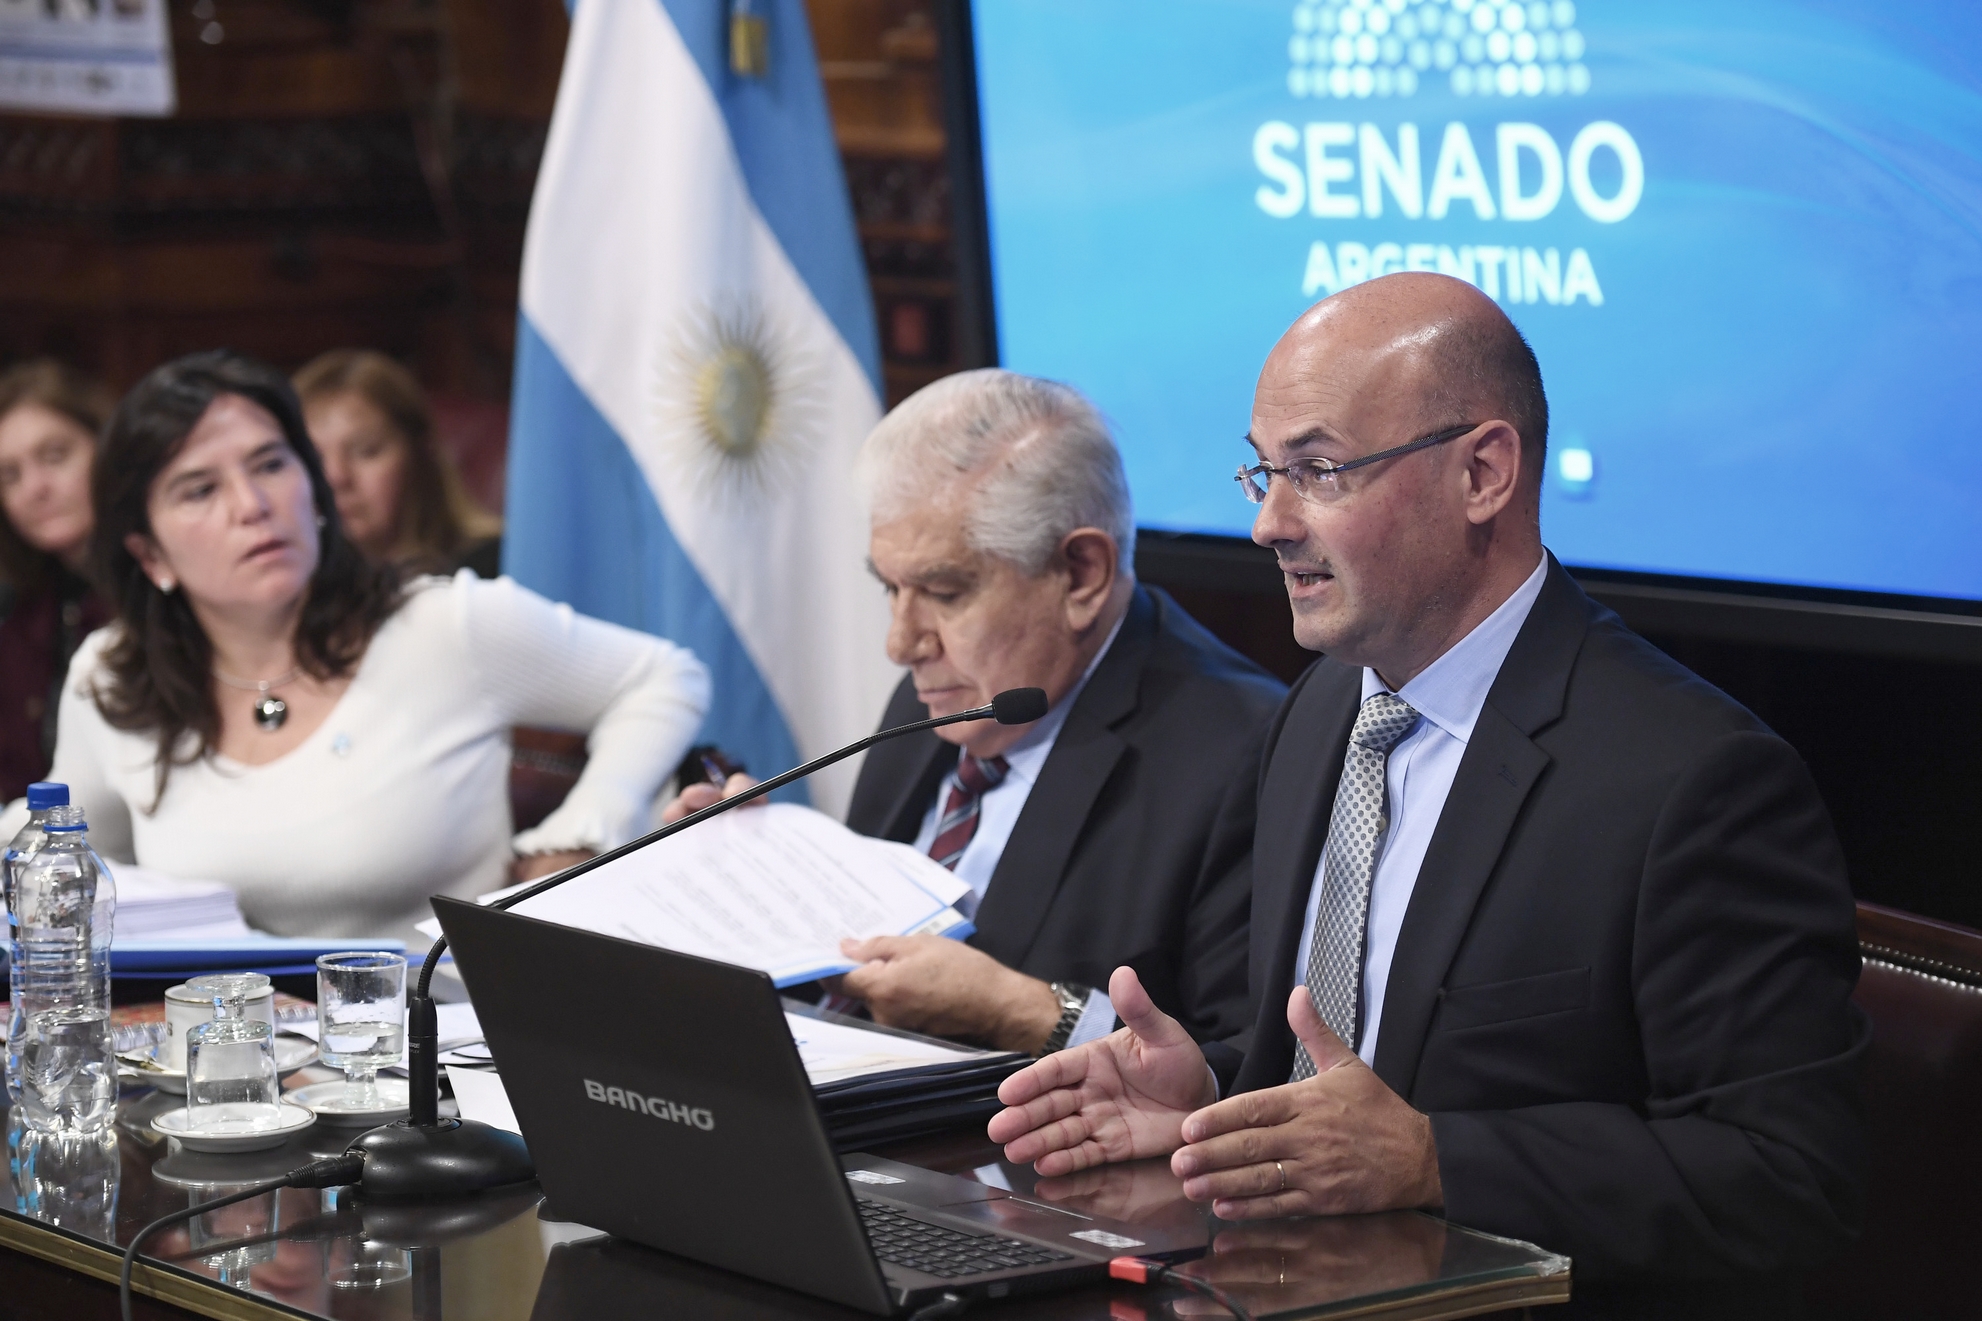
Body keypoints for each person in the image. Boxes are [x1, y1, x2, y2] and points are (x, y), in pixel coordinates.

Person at [988, 275, 1865, 1306]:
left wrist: (1434, 1159)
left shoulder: (1693, 780)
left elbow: (1787, 1179)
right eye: (1261, 471)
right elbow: (1343, 1068)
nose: (1269, 522)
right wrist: (1213, 1095)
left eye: (1316, 470)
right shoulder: (1316, 715)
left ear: (1483, 472)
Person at [0, 350, 709, 947]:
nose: (252, 504)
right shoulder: (114, 674)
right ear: (149, 552)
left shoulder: (442, 625)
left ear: (312, 490)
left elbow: (662, 677)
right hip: (221, 1080)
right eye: (200, 489)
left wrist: (585, 826)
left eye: (271, 464)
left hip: (444, 1058)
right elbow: (64, 843)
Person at [674, 369, 1285, 1056]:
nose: (900, 642)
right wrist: (760, 888)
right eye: (890, 588)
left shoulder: (1248, 753)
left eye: (943, 589)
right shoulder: (943, 692)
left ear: (1081, 574)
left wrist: (1022, 1011)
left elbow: (1255, 1073)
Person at [0, 360, 114, 802]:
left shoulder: (166, 591)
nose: (35, 488)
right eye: (10, 476)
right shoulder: (21, 610)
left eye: (55, 456)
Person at [294, 349, 503, 578]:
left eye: (367, 451)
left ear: (423, 454)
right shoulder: (292, 594)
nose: (336, 476)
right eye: (313, 458)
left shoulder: (492, 570)